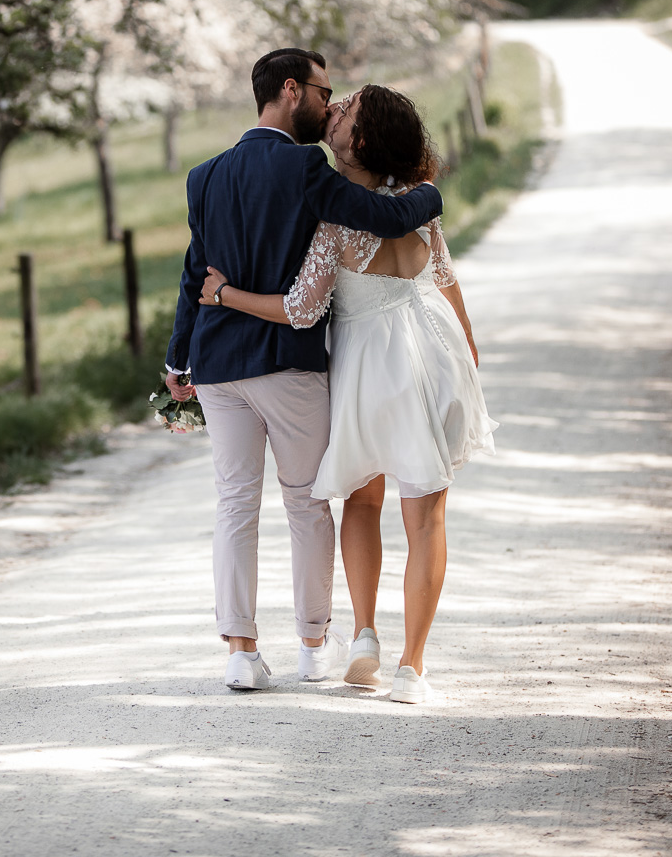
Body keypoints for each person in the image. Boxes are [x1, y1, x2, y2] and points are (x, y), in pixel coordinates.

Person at [199, 84, 496, 704]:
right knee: (427, 513)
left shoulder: (335, 222)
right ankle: (413, 667)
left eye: (346, 108)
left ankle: (364, 636)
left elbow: (302, 310)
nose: (333, 110)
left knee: (362, 503)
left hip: (368, 364)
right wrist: (469, 352)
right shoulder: (419, 203)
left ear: (357, 141)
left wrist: (223, 295)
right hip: (430, 350)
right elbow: (446, 277)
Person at [165, 50, 443, 692]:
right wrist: (428, 190)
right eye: (324, 91)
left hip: (215, 362)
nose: (329, 102)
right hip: (285, 362)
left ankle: (239, 651)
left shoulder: (203, 176)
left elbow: (193, 273)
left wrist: (178, 358)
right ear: (292, 91)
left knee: (234, 503)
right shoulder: (301, 165)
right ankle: (313, 646)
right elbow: (384, 216)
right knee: (306, 502)